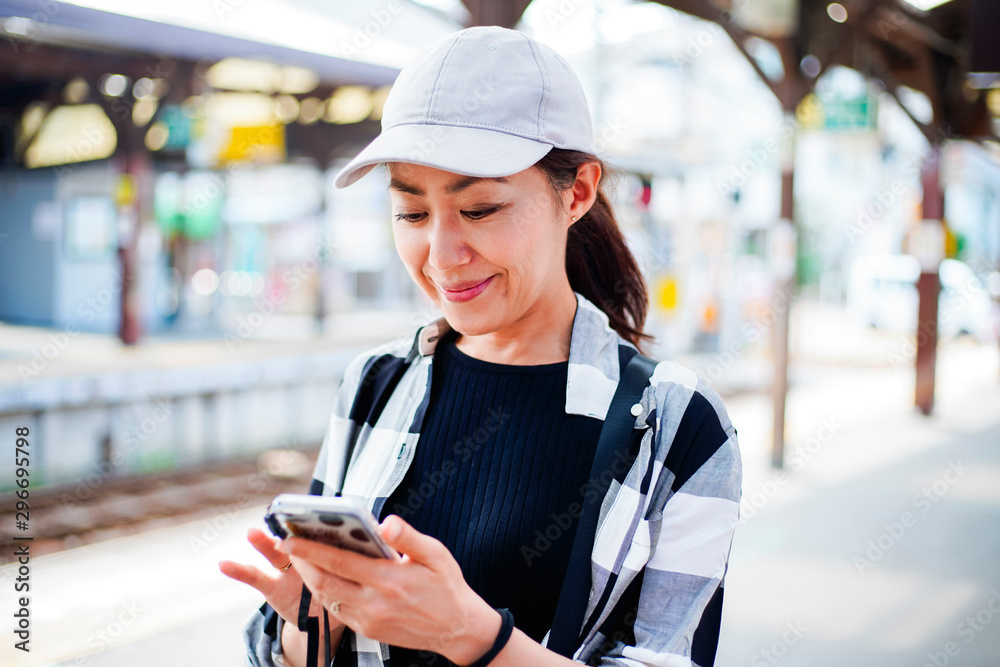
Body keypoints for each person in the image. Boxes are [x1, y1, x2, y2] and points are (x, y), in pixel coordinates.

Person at [220, 25, 741, 667]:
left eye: (481, 209)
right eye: (411, 214)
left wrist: (473, 637)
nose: (441, 257)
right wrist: (312, 629)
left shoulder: (678, 423)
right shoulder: (375, 381)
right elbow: (305, 649)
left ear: (575, 191)